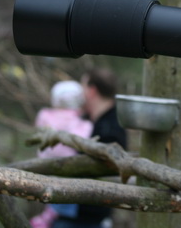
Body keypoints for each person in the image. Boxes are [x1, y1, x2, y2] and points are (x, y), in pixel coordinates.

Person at [52, 68, 127, 228]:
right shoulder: (87, 120)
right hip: (72, 211)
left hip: (88, 215)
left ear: (92, 91)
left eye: (83, 87)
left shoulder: (111, 128)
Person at [30, 80, 93, 228]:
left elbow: (39, 128)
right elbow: (84, 137)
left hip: (44, 163)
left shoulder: (45, 115)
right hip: (68, 164)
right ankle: (48, 217)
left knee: (51, 191)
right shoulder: (79, 120)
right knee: (65, 192)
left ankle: (47, 216)